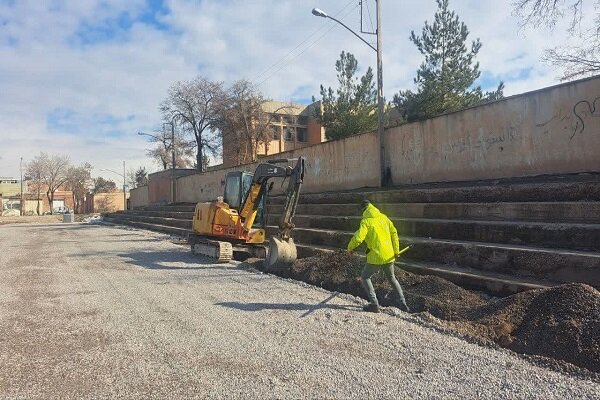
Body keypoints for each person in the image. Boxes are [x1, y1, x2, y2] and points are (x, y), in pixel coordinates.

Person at [347, 200, 410, 313]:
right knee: (392, 278)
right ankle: (403, 303)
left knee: (365, 276)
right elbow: (394, 233)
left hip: (375, 256)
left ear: (363, 210)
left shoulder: (366, 221)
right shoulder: (384, 217)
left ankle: (374, 304)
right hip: (389, 255)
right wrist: (396, 250)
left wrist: (350, 248)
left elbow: (358, 238)